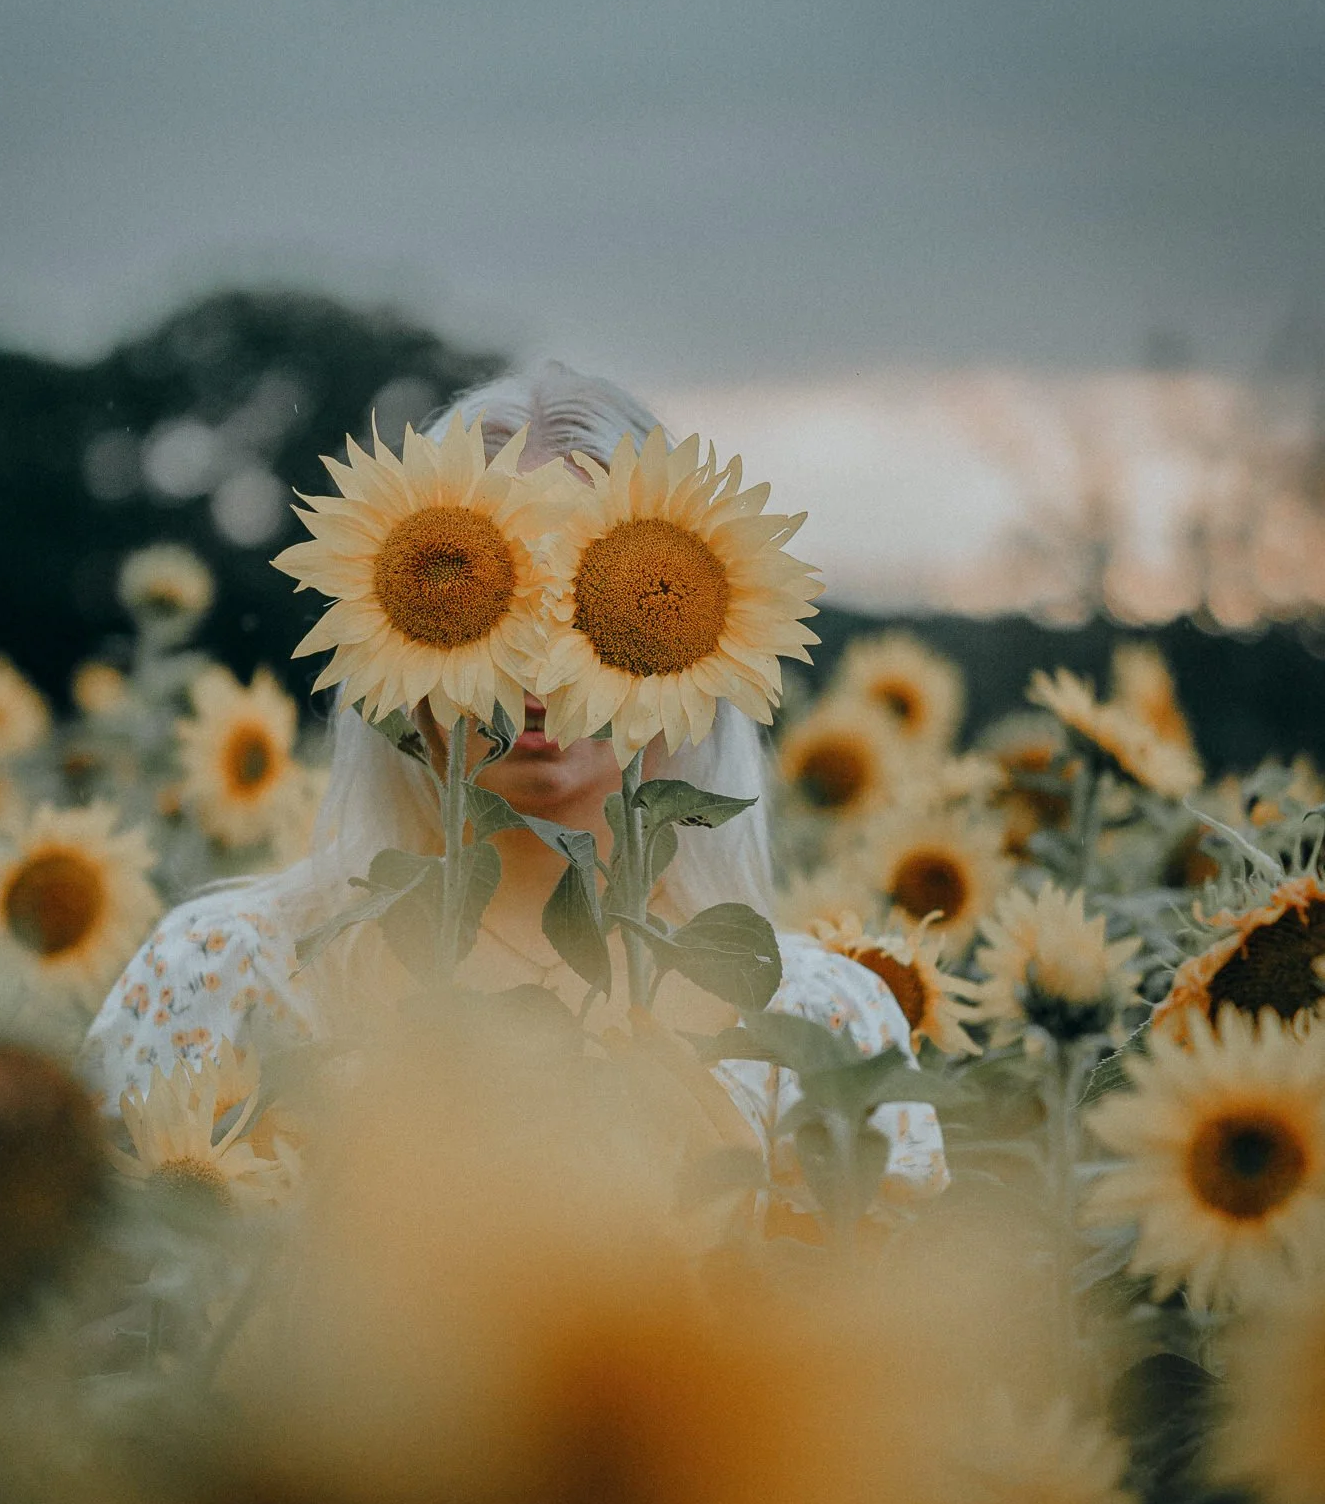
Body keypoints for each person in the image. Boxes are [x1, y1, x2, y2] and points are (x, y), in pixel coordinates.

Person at [84, 362, 946, 1192]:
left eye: (595, 589)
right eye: (489, 587)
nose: (539, 654)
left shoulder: (821, 1023)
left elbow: (894, 1281)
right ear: (391, 620)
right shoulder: (225, 974)